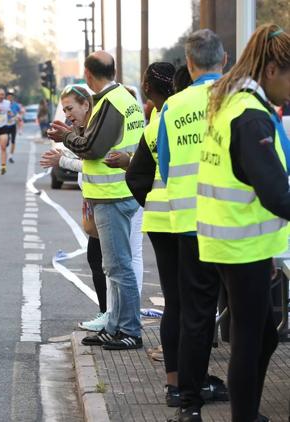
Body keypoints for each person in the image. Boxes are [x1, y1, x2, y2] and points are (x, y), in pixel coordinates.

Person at [198, 24, 290, 422]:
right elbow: (274, 193)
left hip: (234, 239)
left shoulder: (231, 102)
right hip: (240, 245)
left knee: (263, 335)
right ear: (271, 70)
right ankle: (244, 416)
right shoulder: (251, 117)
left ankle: (247, 413)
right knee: (250, 340)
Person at [47, 51, 145, 350]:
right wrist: (74, 135)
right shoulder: (126, 99)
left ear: (88, 76)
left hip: (112, 194)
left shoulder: (110, 102)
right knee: (114, 266)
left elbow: (93, 148)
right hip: (119, 192)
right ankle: (115, 326)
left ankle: (129, 330)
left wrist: (66, 138)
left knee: (119, 267)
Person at [156, 29, 229, 421]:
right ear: (225, 58)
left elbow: (166, 166)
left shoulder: (174, 105)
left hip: (188, 225)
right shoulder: (239, 99)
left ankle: (189, 404)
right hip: (237, 227)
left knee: (195, 317)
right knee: (251, 320)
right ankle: (245, 404)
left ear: (189, 63)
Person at [127, 62, 183, 407]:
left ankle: (174, 384)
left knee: (175, 303)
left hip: (160, 221)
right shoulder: (189, 114)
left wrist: (152, 202)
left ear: (149, 88)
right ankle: (195, 379)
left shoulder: (155, 123)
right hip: (193, 220)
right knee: (196, 305)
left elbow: (136, 178)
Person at [40, 85, 109, 324]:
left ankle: (110, 314)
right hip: (93, 198)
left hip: (108, 198)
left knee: (106, 261)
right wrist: (64, 152)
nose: (67, 114)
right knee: (97, 258)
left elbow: (92, 163)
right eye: (64, 109)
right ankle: (107, 312)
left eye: (70, 108)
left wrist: (62, 159)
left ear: (86, 105)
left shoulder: (95, 129)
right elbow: (84, 160)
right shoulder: (83, 128)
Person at [6, 92, 24, 163]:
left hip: (13, 124)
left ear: (12, 98)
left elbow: (21, 112)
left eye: (11, 97)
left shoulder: (16, 105)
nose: (10, 98)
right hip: (5, 124)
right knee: (6, 141)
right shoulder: (4, 105)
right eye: (8, 97)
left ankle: (10, 156)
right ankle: (7, 141)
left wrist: (19, 116)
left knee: (13, 141)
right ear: (6, 98)